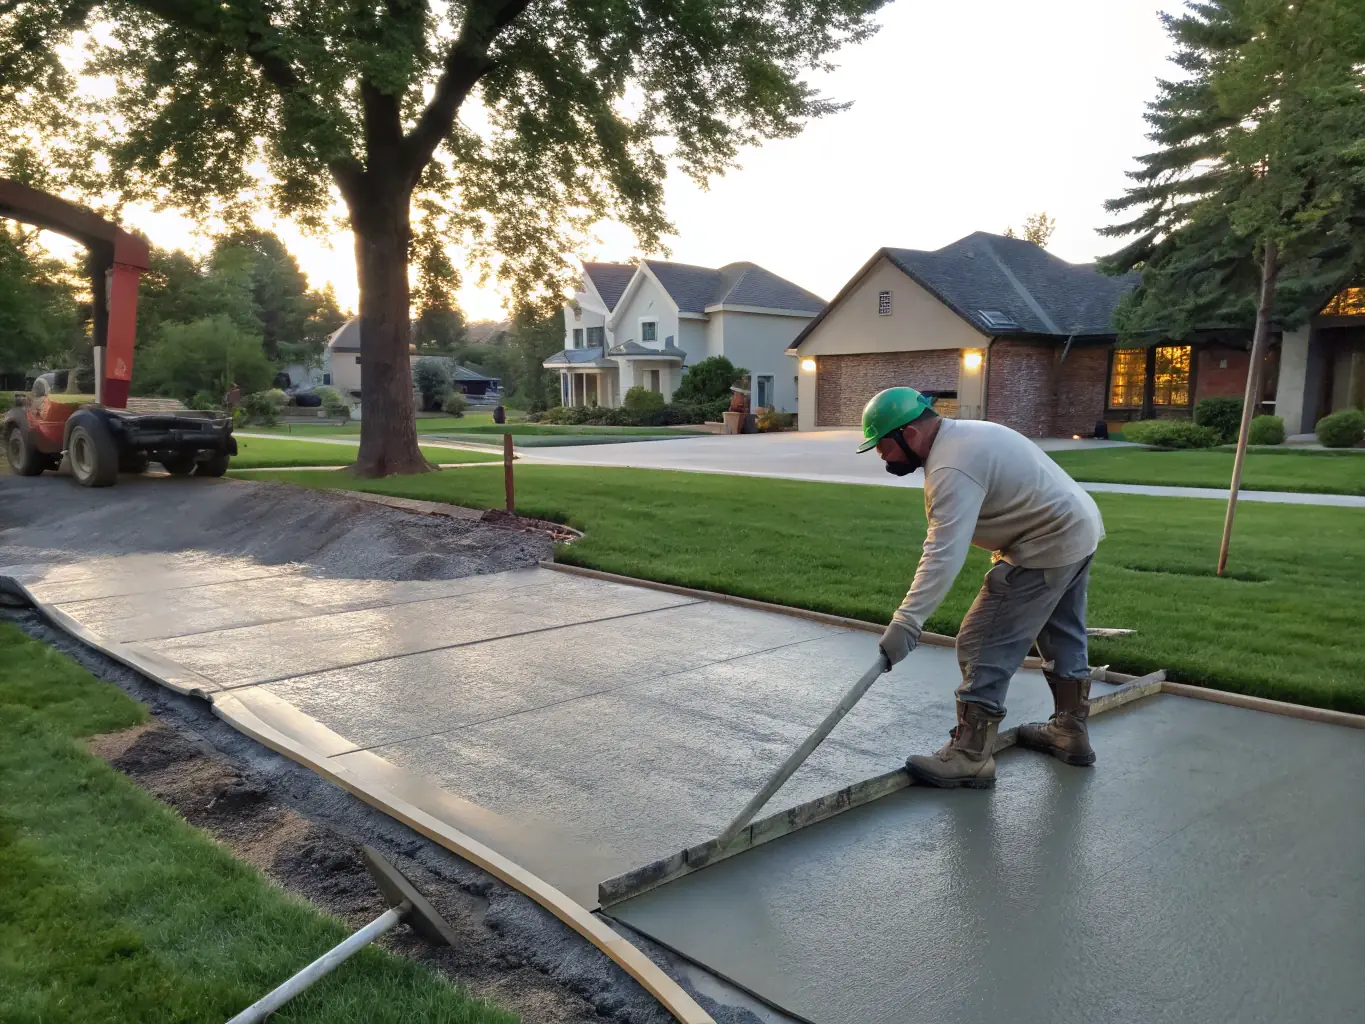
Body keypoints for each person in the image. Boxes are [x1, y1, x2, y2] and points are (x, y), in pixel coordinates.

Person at [860, 387, 1105, 789]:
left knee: (981, 641)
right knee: (1062, 632)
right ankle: (1070, 731)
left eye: (883, 444)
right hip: (1076, 530)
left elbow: (943, 551)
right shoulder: (966, 435)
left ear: (910, 434)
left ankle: (971, 755)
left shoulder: (951, 467)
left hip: (1045, 542)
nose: (880, 455)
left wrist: (907, 623)